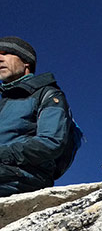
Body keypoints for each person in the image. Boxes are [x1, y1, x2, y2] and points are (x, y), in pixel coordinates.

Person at [0, 37, 75, 197]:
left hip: (25, 176)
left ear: (26, 61)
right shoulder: (4, 102)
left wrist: (3, 154)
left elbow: (51, 142)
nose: (0, 58)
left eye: (5, 53)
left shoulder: (47, 94)